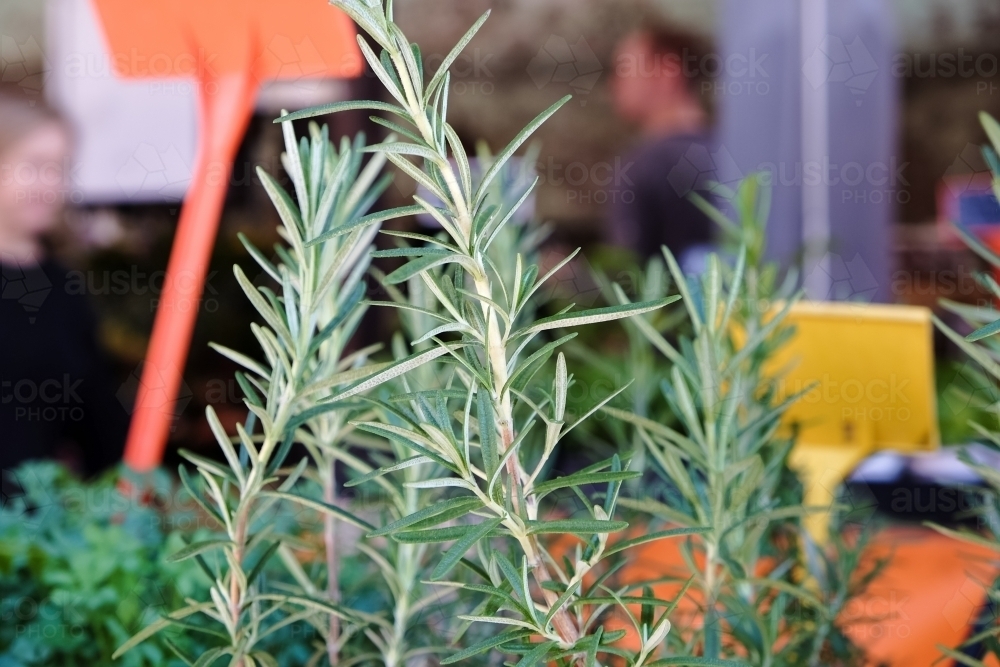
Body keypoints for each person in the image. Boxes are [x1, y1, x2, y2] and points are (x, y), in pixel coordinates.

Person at [0, 87, 127, 476]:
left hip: (39, 527)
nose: (50, 184)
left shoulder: (63, 286)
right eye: (35, 165)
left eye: (61, 167)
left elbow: (96, 415)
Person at [608, 24, 717, 270]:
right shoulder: (732, 151)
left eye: (624, 69)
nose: (614, 83)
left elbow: (626, 273)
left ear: (668, 71)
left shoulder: (642, 165)